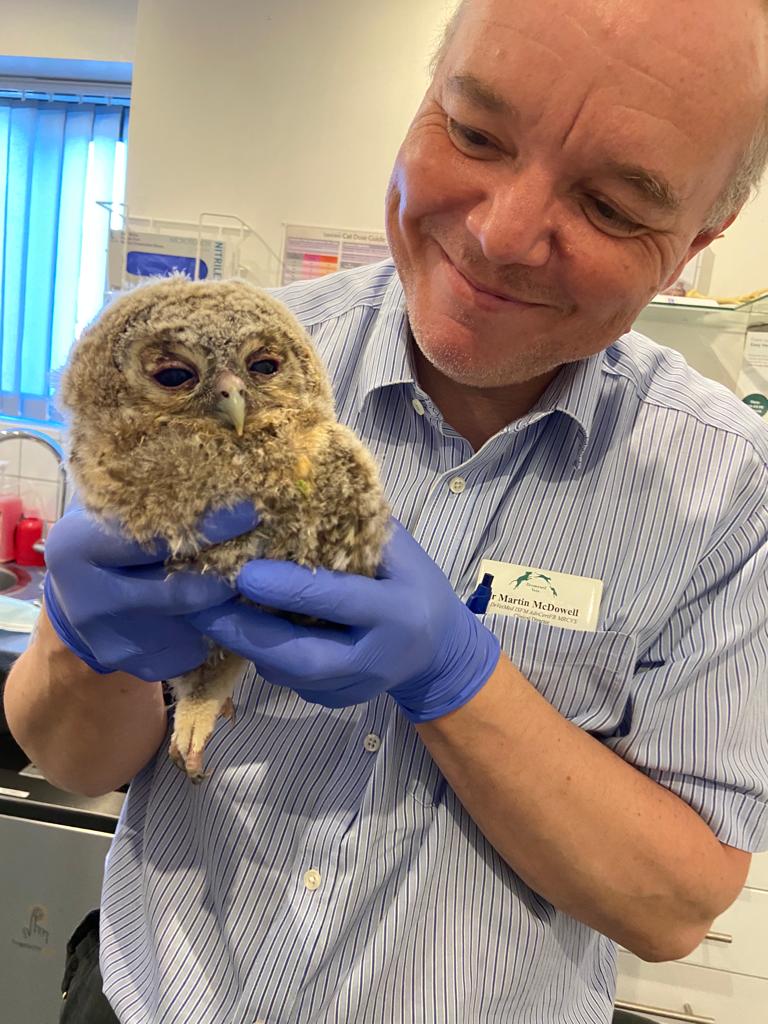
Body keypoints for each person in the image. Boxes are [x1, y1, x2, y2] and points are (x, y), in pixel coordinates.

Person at [5, 0, 768, 1021]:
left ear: (697, 240)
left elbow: (676, 906)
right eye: (475, 133)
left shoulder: (731, 491)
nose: (500, 235)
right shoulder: (225, 360)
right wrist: (88, 647)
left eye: (614, 206)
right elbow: (67, 754)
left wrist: (457, 677)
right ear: (425, 96)